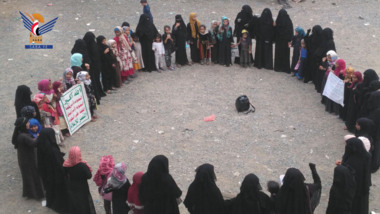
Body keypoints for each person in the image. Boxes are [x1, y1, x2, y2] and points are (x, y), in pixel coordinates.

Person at [37, 128, 69, 213]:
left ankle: (51, 202)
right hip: (56, 176)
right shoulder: (52, 150)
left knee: (51, 190)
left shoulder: (41, 145)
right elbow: (59, 165)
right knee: (58, 192)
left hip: (47, 174)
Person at [11, 117, 44, 200]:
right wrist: (39, 136)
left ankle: (29, 193)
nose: (29, 124)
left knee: (28, 177)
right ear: (23, 125)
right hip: (28, 160)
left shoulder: (20, 133)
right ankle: (36, 194)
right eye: (27, 123)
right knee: (33, 176)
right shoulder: (23, 136)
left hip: (24, 159)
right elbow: (34, 143)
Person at [337, 137, 371, 214]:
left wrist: (341, 166)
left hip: (353, 191)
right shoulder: (366, 156)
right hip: (363, 188)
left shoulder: (350, 162)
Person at [63, 146, 96, 214]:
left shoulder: (66, 164)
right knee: (84, 203)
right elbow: (89, 176)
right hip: (82, 187)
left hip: (72, 187)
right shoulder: (82, 166)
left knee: (76, 203)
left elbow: (65, 174)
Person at [83, 31, 106, 102]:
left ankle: (97, 93)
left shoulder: (86, 46)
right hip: (95, 67)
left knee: (95, 80)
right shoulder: (93, 45)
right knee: (96, 80)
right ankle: (98, 92)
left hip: (92, 67)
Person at [274, 9, 293, 73]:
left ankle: (278, 67)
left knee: (279, 53)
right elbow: (290, 32)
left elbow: (275, 30)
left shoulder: (278, 20)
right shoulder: (288, 21)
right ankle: (285, 68)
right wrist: (289, 40)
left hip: (279, 41)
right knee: (285, 54)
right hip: (285, 41)